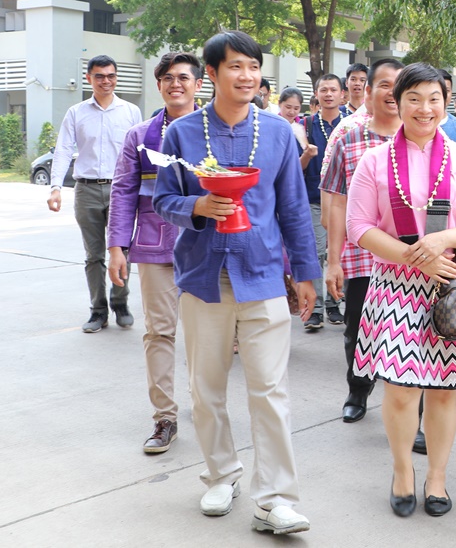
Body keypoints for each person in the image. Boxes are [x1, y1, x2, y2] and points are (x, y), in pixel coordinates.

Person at [153, 30, 318, 535]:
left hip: (264, 273)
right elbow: (162, 201)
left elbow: (292, 206)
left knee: (270, 389)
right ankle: (221, 474)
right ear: (212, 75)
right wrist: (196, 207)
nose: (247, 76)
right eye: (235, 67)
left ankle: (276, 498)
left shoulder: (277, 133)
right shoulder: (181, 134)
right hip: (204, 278)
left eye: (253, 67)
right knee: (206, 389)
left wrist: (306, 271)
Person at [347, 63, 456, 518]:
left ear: (446, 101)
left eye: (434, 98)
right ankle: (402, 471)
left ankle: (436, 476)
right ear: (397, 103)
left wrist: (441, 242)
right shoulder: (374, 161)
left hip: (450, 284)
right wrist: (412, 255)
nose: (425, 107)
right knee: (399, 391)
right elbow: (359, 226)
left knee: (442, 390)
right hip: (395, 286)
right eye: (414, 98)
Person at [107, 51, 202, 454]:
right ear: (158, 84)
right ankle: (165, 418)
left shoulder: (215, 131)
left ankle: (207, 407)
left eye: (183, 77)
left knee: (204, 336)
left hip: (205, 247)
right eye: (167, 77)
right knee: (159, 332)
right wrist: (116, 246)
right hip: (154, 247)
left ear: (200, 83)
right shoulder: (140, 136)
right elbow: (123, 191)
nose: (174, 83)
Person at [320, 58, 403, 423]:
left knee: (412, 334)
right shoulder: (348, 137)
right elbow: (336, 202)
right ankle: (358, 388)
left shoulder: (426, 138)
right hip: (362, 258)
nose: (392, 92)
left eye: (399, 86)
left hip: (411, 259)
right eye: (384, 84)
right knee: (359, 328)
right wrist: (333, 260)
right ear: (367, 91)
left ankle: (411, 410)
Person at [48, 54, 143, 332]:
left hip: (121, 191)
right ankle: (98, 310)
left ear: (116, 78)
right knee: (93, 255)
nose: (106, 81)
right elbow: (64, 149)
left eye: (111, 75)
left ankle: (121, 304)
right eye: (99, 76)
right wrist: (55, 187)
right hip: (86, 190)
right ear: (89, 78)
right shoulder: (76, 113)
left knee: (121, 251)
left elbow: (138, 154)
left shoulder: (130, 111)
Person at [304, 74, 347, 329]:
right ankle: (317, 308)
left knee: (338, 253)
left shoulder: (350, 125)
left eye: (333, 90)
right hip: (313, 198)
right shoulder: (306, 124)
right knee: (319, 252)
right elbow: (296, 166)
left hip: (343, 199)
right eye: (323, 90)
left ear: (342, 94)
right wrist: (307, 156)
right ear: (317, 94)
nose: (328, 94)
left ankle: (334, 304)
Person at [277, 88, 308, 153]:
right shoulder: (272, 124)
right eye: (288, 107)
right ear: (279, 103)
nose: (292, 112)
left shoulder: (301, 128)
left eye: (296, 108)